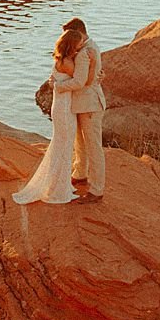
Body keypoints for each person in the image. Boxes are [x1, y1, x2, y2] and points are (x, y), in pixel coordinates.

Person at [12, 26, 86, 205]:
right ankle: (58, 189)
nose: (80, 46)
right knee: (65, 145)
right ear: (71, 45)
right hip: (65, 107)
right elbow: (80, 82)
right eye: (78, 44)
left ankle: (56, 184)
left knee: (60, 144)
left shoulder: (58, 60)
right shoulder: (69, 63)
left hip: (59, 106)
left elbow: (56, 80)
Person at [57, 17, 105, 201]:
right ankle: (80, 174)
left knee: (94, 147)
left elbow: (81, 82)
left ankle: (96, 190)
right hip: (81, 104)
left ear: (79, 33)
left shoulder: (87, 52)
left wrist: (58, 86)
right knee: (80, 142)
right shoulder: (89, 46)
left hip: (90, 104)